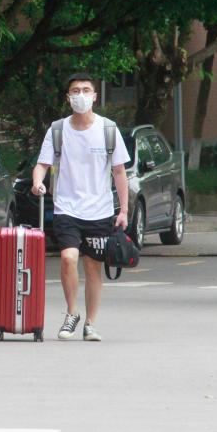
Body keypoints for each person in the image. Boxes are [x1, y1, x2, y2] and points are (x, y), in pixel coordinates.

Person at [30, 73, 130, 341]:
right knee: (68, 258)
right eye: (75, 91)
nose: (81, 95)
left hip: (100, 210)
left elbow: (119, 171)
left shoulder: (108, 129)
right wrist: (37, 182)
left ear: (95, 96)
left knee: (93, 267)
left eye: (86, 90)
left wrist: (123, 210)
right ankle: (72, 313)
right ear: (68, 97)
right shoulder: (58, 130)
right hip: (67, 208)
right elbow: (42, 164)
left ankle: (90, 323)